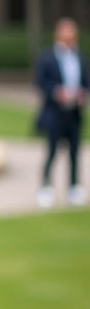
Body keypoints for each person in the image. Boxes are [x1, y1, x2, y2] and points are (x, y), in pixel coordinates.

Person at [35, 17, 88, 208]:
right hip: (55, 113)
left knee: (75, 152)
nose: (71, 38)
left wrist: (83, 94)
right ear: (59, 35)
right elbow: (41, 82)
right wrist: (58, 92)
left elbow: (86, 82)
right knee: (52, 151)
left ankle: (74, 187)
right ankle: (46, 187)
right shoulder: (47, 57)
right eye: (67, 34)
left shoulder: (80, 57)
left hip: (74, 113)